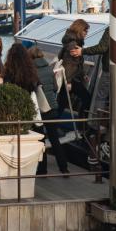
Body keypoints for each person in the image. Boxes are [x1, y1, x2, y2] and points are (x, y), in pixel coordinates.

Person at [29, 47, 69, 176]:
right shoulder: (49, 69)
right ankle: (64, 168)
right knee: (54, 139)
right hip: (52, 108)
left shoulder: (31, 71)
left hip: (39, 109)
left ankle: (42, 170)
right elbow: (56, 88)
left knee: (40, 140)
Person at [58, 19, 92, 113]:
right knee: (87, 99)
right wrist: (68, 82)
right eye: (85, 31)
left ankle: (51, 126)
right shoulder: (73, 44)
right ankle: (82, 125)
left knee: (61, 103)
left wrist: (83, 75)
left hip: (72, 78)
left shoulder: (73, 41)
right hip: (71, 79)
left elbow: (77, 62)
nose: (86, 33)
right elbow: (69, 63)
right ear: (79, 30)